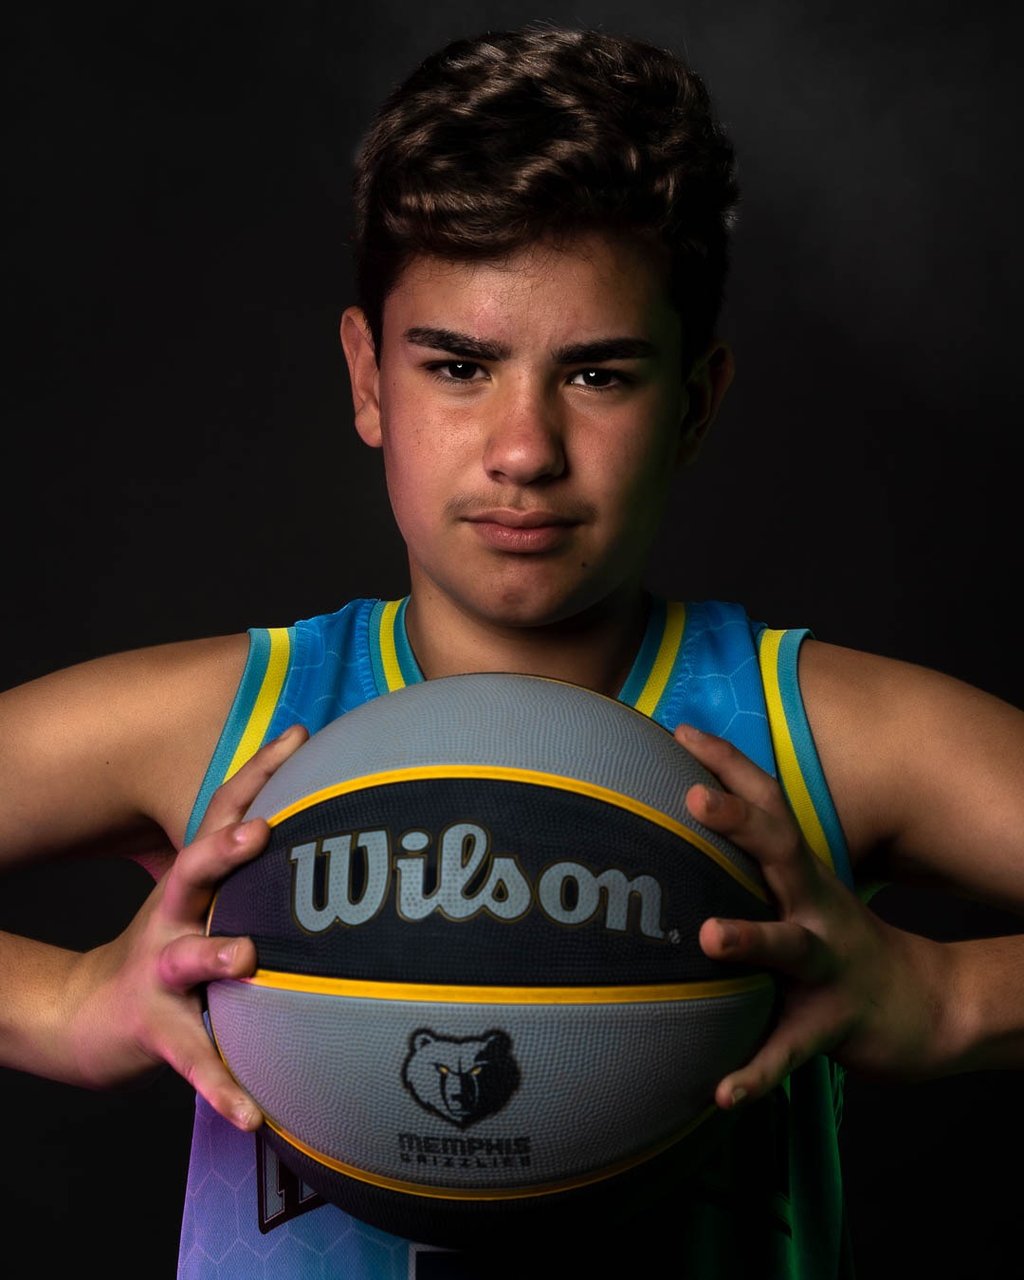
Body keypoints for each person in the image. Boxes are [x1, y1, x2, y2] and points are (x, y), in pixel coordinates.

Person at [2, 20, 1022, 1280]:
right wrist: (65, 1004)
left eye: (596, 375)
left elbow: (942, 992)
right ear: (368, 377)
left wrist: (945, 998)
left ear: (694, 400)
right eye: (459, 365)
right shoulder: (230, 724)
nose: (524, 448)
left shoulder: (821, 732)